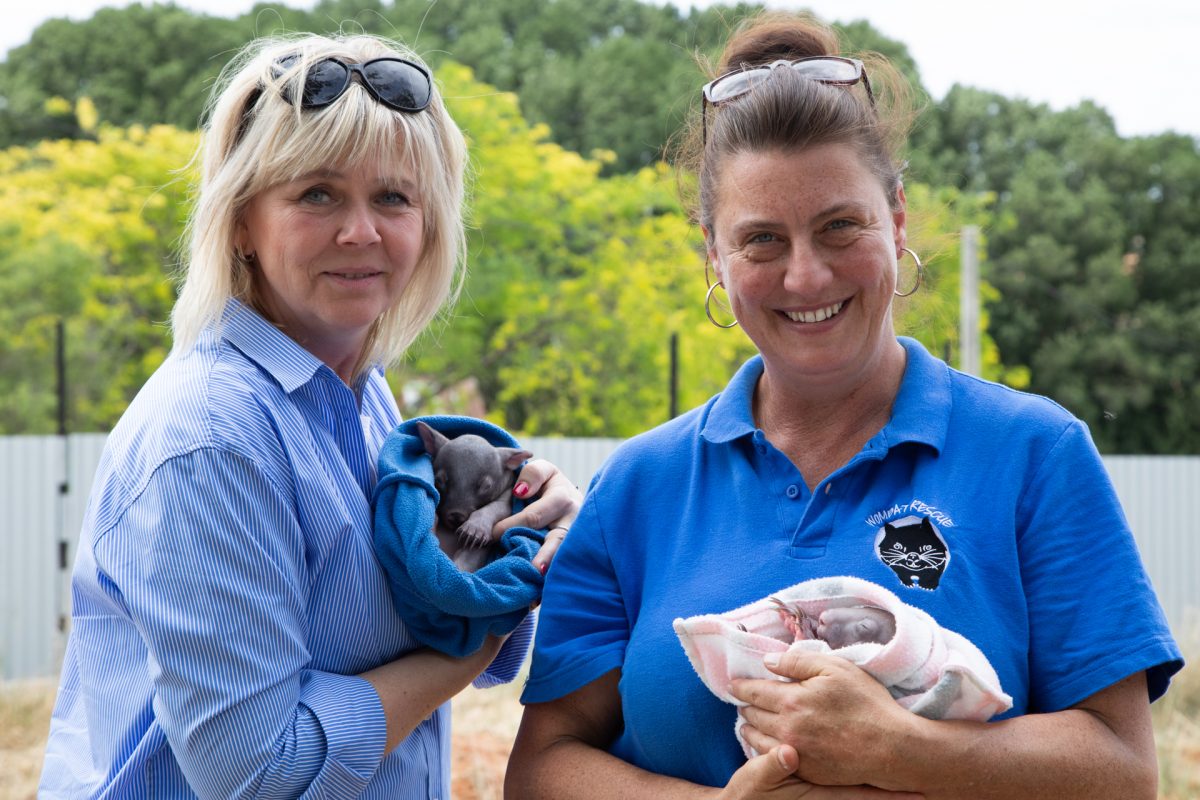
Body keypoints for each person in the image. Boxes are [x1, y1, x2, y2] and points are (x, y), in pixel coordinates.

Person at [506, 12, 1182, 800]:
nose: (806, 277)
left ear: (895, 219)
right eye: (761, 240)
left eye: (840, 227)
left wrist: (901, 750)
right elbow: (542, 769)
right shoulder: (639, 485)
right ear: (712, 254)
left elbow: (1124, 772)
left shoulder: (1034, 454)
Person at [39, 33, 578, 798]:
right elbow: (260, 773)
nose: (361, 231)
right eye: (316, 193)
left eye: (394, 196)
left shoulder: (362, 399)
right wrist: (475, 638)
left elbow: (437, 616)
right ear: (239, 222)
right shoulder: (212, 436)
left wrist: (515, 528)